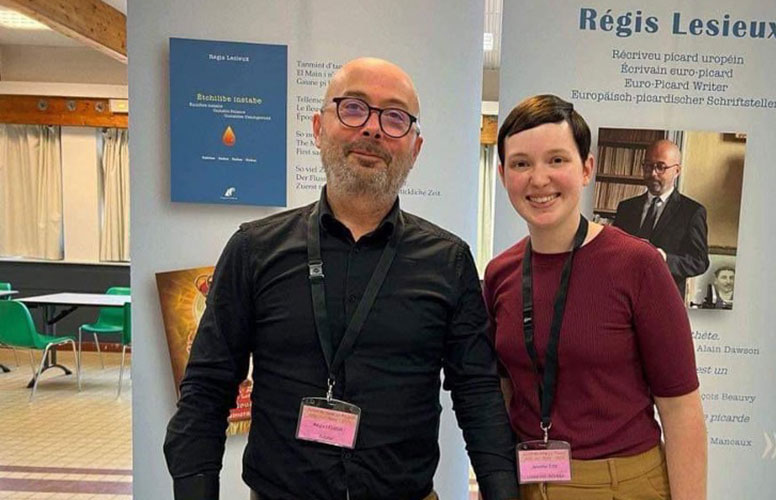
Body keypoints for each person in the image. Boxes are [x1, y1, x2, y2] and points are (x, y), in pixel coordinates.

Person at [164, 57, 518, 500]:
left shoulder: (448, 261)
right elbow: (206, 388)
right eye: (353, 108)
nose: (371, 129)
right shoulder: (254, 250)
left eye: (394, 118)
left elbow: (478, 394)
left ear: (415, 147)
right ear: (317, 127)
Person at [484, 94, 706, 499]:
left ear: (586, 168)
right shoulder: (500, 274)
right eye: (521, 163)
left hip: (620, 485)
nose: (538, 179)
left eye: (557, 160)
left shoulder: (637, 265)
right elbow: (505, 393)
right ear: (502, 175)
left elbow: (681, 410)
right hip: (527, 482)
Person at [612, 139, 709, 295]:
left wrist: (665, 259)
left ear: (677, 171)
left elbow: (700, 262)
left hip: (665, 299)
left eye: (660, 167)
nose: (652, 173)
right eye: (648, 166)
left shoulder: (692, 212)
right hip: (625, 295)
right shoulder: (626, 208)